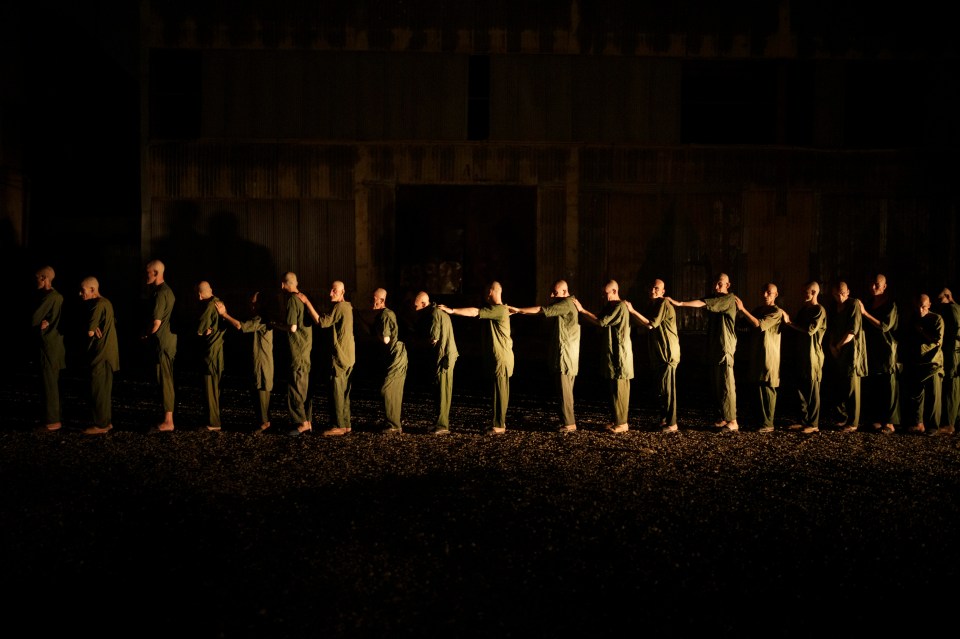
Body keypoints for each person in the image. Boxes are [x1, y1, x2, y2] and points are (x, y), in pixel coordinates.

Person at [669, 273, 741, 432]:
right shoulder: (717, 298)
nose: (716, 287)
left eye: (720, 284)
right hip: (716, 347)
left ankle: (732, 420)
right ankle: (723, 417)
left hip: (725, 347)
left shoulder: (728, 299)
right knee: (718, 384)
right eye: (715, 283)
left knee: (726, 383)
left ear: (728, 285)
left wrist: (680, 304)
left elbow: (703, 303)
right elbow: (703, 301)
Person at [440, 281, 514, 434]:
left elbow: (474, 312)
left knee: (500, 392)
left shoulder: (498, 310)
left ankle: (499, 425)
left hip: (501, 358)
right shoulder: (500, 310)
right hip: (499, 357)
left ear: (491, 292)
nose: (485, 294)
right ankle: (498, 423)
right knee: (498, 391)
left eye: (487, 291)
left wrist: (452, 311)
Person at [510, 279, 581, 432]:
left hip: (565, 355)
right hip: (569, 354)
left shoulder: (566, 304)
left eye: (554, 292)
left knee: (564, 390)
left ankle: (569, 423)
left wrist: (519, 310)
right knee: (566, 390)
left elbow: (542, 310)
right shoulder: (569, 303)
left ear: (564, 291)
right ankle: (568, 421)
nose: (551, 295)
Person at [575, 280, 633, 433]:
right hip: (613, 352)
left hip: (620, 353)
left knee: (620, 389)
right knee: (614, 387)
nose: (603, 296)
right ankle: (616, 420)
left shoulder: (619, 306)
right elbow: (597, 319)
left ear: (614, 291)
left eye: (606, 293)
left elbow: (601, 322)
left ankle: (622, 423)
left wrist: (582, 310)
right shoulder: (610, 306)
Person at [299, 280, 356, 437]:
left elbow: (321, 322)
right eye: (331, 290)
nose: (330, 293)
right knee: (344, 392)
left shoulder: (339, 307)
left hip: (340, 358)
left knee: (336, 392)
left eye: (334, 290)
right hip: (349, 356)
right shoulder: (348, 307)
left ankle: (338, 425)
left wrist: (306, 302)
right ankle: (346, 424)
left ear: (342, 292)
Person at [624, 278, 680, 433]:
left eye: (657, 288)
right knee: (662, 388)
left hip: (667, 353)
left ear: (663, 291)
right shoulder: (653, 305)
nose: (653, 290)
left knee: (668, 389)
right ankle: (665, 419)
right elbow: (643, 322)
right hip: (659, 352)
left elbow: (650, 324)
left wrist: (632, 310)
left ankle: (672, 422)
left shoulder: (663, 304)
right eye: (651, 287)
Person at [216, 292, 275, 433]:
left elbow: (239, 326)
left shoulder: (260, 320)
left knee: (261, 389)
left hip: (262, 361)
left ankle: (264, 422)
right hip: (261, 360)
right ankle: (264, 420)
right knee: (260, 388)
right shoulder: (261, 318)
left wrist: (224, 314)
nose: (251, 305)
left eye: (254, 303)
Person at [736, 283, 787, 433]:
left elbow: (758, 325)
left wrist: (742, 309)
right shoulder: (759, 310)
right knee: (758, 388)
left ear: (776, 295)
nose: (765, 295)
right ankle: (761, 422)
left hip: (769, 356)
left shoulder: (776, 312)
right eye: (764, 292)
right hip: (757, 355)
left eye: (769, 293)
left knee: (767, 388)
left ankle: (768, 423)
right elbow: (744, 323)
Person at [784, 281, 828, 434]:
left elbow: (810, 330)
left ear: (814, 293)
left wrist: (789, 322)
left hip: (812, 356)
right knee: (800, 389)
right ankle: (803, 420)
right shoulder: (804, 309)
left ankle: (813, 423)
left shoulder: (819, 310)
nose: (803, 294)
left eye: (806, 292)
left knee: (812, 389)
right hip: (801, 354)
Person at [859, 274, 900, 434]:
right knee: (874, 385)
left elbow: (884, 326)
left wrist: (865, 314)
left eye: (877, 284)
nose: (873, 287)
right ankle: (876, 419)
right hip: (871, 350)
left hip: (887, 350)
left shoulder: (890, 305)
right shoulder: (869, 303)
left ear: (884, 286)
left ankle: (890, 422)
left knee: (888, 385)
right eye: (871, 284)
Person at [413, 291, 458, 434]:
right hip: (446, 355)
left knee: (442, 391)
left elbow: (434, 339)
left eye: (416, 306)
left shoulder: (434, 314)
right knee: (441, 390)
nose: (414, 309)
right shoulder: (439, 312)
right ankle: (440, 422)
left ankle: (442, 425)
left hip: (444, 357)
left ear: (423, 304)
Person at [79, 277, 119, 435]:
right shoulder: (107, 303)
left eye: (83, 290)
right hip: (109, 354)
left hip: (100, 354)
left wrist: (90, 326)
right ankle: (106, 422)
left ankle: (100, 424)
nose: (80, 293)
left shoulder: (96, 305)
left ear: (92, 290)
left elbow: (89, 331)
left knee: (98, 389)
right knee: (105, 389)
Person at [827, 281, 867, 432]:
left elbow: (853, 330)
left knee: (852, 386)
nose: (840, 296)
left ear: (848, 291)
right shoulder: (833, 307)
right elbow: (831, 327)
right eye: (837, 293)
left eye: (843, 293)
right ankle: (842, 418)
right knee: (840, 385)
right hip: (837, 350)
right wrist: (832, 345)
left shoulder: (853, 304)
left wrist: (838, 346)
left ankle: (853, 421)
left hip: (850, 350)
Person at [902, 294, 944, 435]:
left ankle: (933, 426)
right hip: (916, 362)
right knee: (917, 395)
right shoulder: (914, 318)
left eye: (923, 307)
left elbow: (937, 341)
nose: (920, 310)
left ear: (929, 305)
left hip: (933, 363)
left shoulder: (936, 319)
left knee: (933, 395)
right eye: (918, 307)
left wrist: (922, 332)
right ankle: (918, 423)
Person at [279, 271, 313, 435]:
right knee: (304, 387)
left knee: (295, 388)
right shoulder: (303, 299)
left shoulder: (292, 300)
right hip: (306, 350)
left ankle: (302, 422)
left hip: (297, 350)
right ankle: (308, 420)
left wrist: (277, 325)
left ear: (284, 284)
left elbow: (292, 327)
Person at [32, 265, 65, 433]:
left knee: (49, 383)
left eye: (37, 277)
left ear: (44, 278)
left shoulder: (50, 297)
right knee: (51, 382)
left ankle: (52, 421)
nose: (35, 280)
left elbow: (33, 319)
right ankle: (52, 417)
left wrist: (42, 321)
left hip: (49, 346)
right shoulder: (55, 297)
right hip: (55, 346)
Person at [145, 259, 177, 432]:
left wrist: (145, 334)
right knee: (166, 378)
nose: (146, 275)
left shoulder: (160, 293)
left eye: (148, 272)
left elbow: (156, 322)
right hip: (167, 341)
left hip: (161, 342)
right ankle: (167, 418)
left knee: (164, 379)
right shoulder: (168, 291)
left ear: (156, 273)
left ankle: (168, 421)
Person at [372, 287, 408, 434]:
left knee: (388, 389)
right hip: (395, 355)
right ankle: (393, 422)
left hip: (396, 355)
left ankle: (394, 424)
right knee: (393, 390)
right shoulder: (383, 314)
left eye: (374, 298)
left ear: (382, 300)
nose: (372, 300)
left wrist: (377, 335)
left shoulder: (386, 315)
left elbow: (386, 339)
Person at [196, 281, 226, 431]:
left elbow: (199, 330)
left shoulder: (208, 307)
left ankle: (213, 423)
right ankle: (215, 420)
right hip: (218, 353)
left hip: (210, 353)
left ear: (200, 294)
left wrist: (202, 331)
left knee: (210, 389)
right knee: (216, 389)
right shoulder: (219, 303)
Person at [935, 288, 960, 436]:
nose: (939, 303)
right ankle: (954, 422)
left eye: (940, 300)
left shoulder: (951, 309)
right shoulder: (955, 308)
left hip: (953, 352)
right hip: (954, 351)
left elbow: (957, 331)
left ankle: (949, 424)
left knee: (951, 385)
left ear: (948, 296)